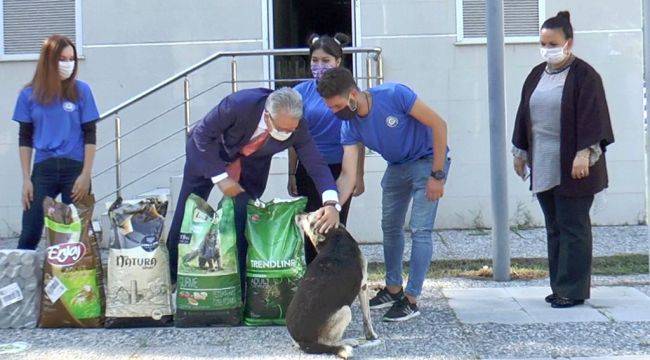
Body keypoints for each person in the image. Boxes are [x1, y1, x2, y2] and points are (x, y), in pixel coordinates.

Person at [166, 87, 341, 297]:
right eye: (282, 129)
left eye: (291, 130)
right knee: (186, 216)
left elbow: (315, 163)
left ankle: (237, 289)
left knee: (242, 221)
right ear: (267, 116)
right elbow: (202, 135)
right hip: (208, 154)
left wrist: (331, 202)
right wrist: (221, 178)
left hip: (250, 168)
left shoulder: (297, 126)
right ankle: (171, 280)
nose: (286, 134)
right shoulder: (239, 105)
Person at [317, 67, 450, 322]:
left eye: (336, 106)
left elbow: (438, 124)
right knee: (389, 227)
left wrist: (437, 174)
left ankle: (411, 299)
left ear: (353, 95)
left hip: (427, 162)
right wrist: (332, 204)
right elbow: (347, 176)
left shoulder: (394, 94)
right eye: (330, 108)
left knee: (420, 230)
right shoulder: (349, 126)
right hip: (397, 166)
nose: (334, 112)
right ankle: (392, 289)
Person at [511, 11, 614, 308]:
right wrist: (520, 152)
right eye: (543, 43)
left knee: (573, 225)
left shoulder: (585, 75)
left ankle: (573, 289)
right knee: (554, 225)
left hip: (575, 164)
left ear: (568, 42)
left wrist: (585, 153)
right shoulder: (536, 74)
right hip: (544, 161)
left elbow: (593, 117)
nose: (547, 48)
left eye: (552, 43)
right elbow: (523, 114)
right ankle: (559, 285)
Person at [12, 34, 99, 250]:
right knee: (30, 231)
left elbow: (90, 134)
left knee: (78, 233)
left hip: (75, 170)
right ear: (49, 60)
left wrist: (86, 175)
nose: (68, 64)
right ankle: (24, 281)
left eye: (72, 59)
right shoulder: (28, 94)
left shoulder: (82, 91)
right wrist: (26, 179)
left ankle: (79, 282)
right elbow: (25, 137)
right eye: (62, 58)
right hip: (44, 170)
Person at [288, 33, 364, 264]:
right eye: (315, 60)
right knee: (309, 230)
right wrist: (292, 172)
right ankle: (312, 281)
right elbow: (293, 136)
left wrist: (358, 175)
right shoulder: (300, 92)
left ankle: (335, 280)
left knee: (335, 228)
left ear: (338, 62)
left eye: (325, 60)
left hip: (340, 169)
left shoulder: (348, 92)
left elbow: (357, 137)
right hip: (308, 170)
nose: (319, 66)